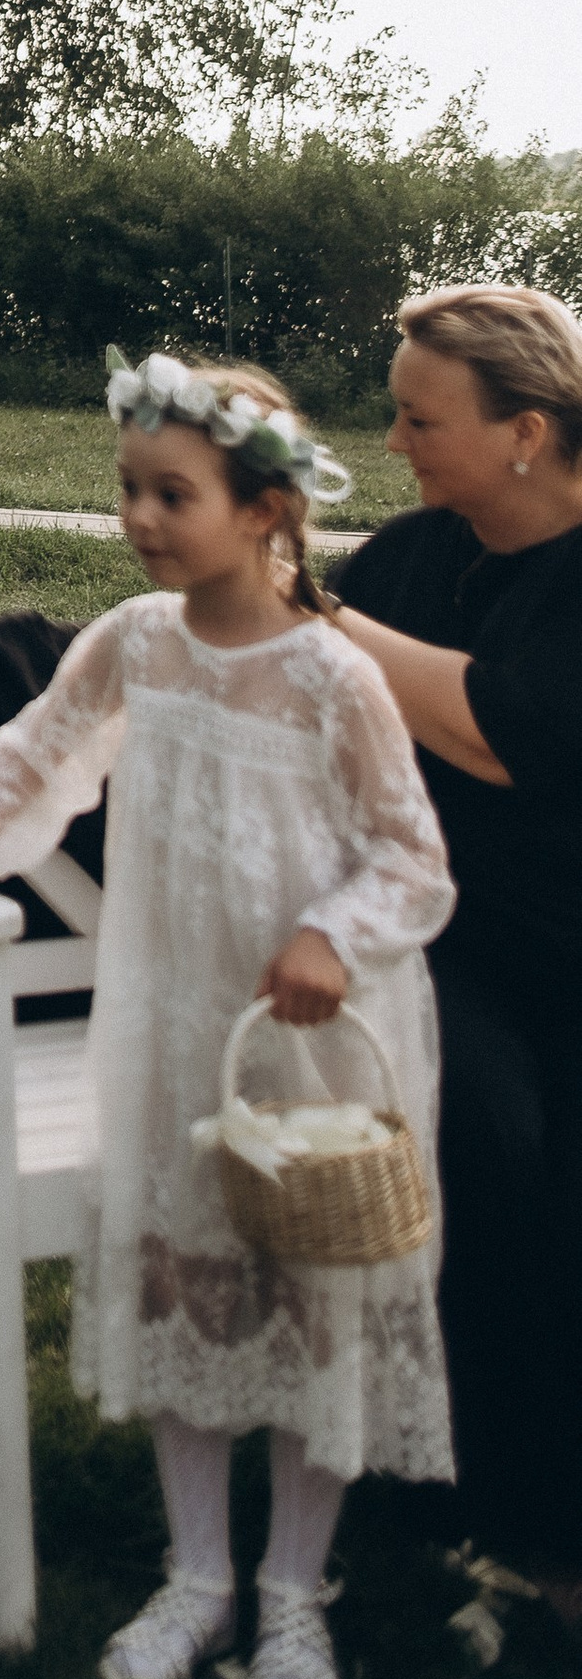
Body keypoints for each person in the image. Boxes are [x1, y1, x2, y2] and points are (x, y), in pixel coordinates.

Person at [0, 351, 453, 1679]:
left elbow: (411, 854)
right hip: (173, 1019)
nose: (141, 519)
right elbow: (35, 753)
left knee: (309, 1294)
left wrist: (334, 935)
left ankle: (293, 1594)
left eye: (172, 493)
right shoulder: (135, 643)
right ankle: (197, 1573)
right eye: (129, 490)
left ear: (266, 508)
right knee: (189, 1286)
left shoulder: (332, 675)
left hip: (312, 1033)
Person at [324, 285, 582, 1609]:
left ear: (526, 432)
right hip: (429, 929)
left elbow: (499, 729)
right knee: (488, 1126)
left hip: (565, 937)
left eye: (420, 418)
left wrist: (319, 613)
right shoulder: (413, 556)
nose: (396, 441)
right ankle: (448, 1487)